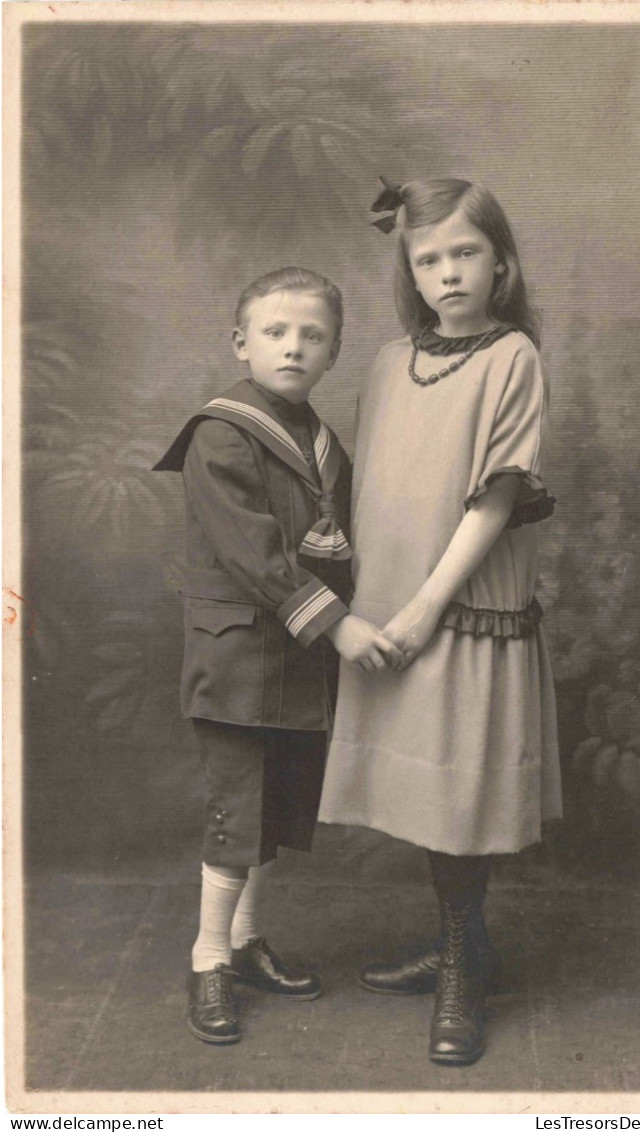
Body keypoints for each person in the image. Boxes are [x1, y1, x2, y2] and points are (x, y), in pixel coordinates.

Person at [318, 179, 562, 1066]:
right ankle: (463, 942)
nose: (448, 272)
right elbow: (375, 484)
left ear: (499, 262)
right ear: (409, 272)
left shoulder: (512, 358)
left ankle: (465, 959)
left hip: (458, 608)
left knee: (458, 792)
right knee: (424, 793)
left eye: (464, 253)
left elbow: (497, 495)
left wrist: (427, 606)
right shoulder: (389, 362)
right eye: (429, 259)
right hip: (386, 608)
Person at [154, 266, 401, 1046]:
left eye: (312, 335)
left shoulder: (319, 439)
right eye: (275, 331)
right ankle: (206, 962)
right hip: (238, 662)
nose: (293, 347)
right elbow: (253, 555)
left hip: (298, 662)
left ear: (332, 352)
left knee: (273, 810)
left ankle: (245, 943)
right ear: (241, 342)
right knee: (236, 814)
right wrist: (341, 626)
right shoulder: (222, 432)